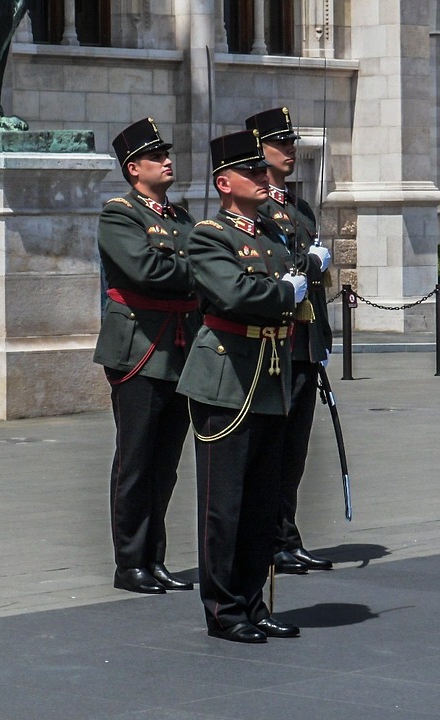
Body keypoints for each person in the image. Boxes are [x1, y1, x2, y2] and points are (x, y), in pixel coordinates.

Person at [176, 129, 305, 644]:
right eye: (251, 172)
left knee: (261, 503)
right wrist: (282, 292)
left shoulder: (273, 236)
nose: (261, 177)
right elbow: (231, 294)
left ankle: (254, 602)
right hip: (227, 376)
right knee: (224, 503)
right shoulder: (210, 235)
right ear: (225, 182)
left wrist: (287, 287)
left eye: (261, 170)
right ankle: (224, 610)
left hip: (272, 373)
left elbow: (280, 291)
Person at [94, 118, 199, 595]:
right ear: (134, 168)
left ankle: (155, 557)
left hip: (178, 349)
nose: (167, 161)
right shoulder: (120, 215)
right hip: (140, 348)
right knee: (136, 460)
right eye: (157, 157)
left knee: (166, 462)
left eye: (167, 154)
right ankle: (129, 562)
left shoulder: (181, 218)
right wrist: (197, 270)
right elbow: (145, 269)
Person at [246, 107, 335, 575]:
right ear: (259, 150)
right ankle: (271, 538)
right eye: (281, 144)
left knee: (296, 447)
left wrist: (321, 338)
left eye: (292, 143)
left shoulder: (300, 208)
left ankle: (287, 533)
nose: (290, 151)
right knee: (275, 446)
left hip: (303, 342)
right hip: (274, 344)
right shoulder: (256, 211)